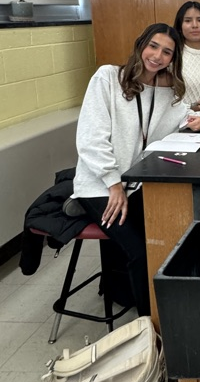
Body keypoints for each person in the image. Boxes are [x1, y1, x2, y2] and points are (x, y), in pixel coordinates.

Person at [72, 23, 188, 316]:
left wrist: (196, 119)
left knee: (169, 235)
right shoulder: (108, 78)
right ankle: (151, 326)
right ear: (140, 45)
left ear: (173, 59)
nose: (157, 56)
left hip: (134, 186)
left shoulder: (166, 92)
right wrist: (113, 184)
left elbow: (171, 127)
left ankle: (171, 308)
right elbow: (90, 139)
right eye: (153, 46)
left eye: (167, 52)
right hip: (100, 186)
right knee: (140, 252)